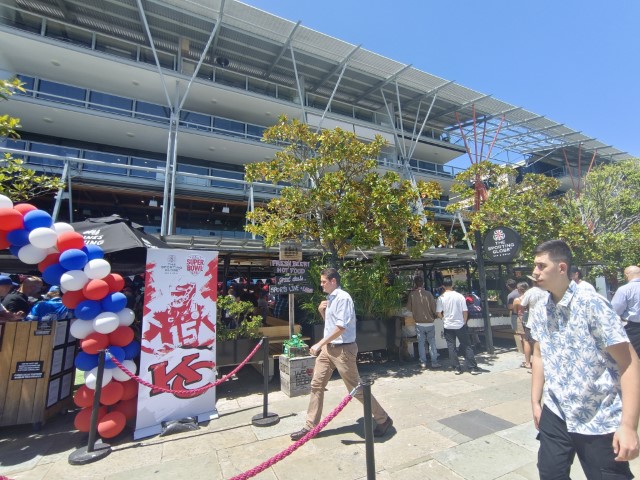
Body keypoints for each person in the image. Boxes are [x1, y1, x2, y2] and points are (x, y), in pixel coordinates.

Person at [529, 239, 639, 479]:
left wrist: (629, 426)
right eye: (534, 266)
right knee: (550, 473)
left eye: (540, 266)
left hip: (598, 415)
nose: (534, 272)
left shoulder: (592, 304)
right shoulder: (539, 309)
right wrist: (536, 402)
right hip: (556, 410)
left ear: (561, 268)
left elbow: (629, 363)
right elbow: (538, 355)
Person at [290, 268, 393, 441]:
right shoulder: (331, 299)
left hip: (343, 350)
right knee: (316, 384)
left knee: (356, 389)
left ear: (333, 281)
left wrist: (319, 343)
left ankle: (383, 419)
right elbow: (332, 325)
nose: (321, 284)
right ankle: (310, 426)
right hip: (328, 349)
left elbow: (341, 328)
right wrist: (322, 312)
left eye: (323, 281)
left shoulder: (343, 298)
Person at [436, 277, 480, 375]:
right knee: (467, 346)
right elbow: (465, 311)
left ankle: (456, 367)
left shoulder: (441, 298)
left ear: (443, 286)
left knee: (451, 347)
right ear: (452, 285)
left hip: (448, 325)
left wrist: (444, 319)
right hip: (460, 325)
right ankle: (472, 367)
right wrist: (464, 321)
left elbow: (438, 313)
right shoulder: (460, 296)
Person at [406, 275, 439, 368]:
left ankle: (423, 362)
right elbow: (434, 308)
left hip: (419, 323)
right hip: (430, 323)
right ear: (423, 283)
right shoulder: (428, 294)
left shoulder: (412, 295)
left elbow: (408, 308)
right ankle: (434, 362)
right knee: (432, 343)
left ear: (415, 284)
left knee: (421, 344)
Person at [611, 265, 640, 358]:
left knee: (634, 358)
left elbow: (614, 311)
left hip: (634, 330)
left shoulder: (624, 290)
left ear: (627, 275)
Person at [511, 281, 531, 369]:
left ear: (519, 290)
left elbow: (515, 312)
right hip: (531, 318)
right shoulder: (531, 299)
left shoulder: (517, 300)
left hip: (521, 318)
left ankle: (527, 362)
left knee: (524, 340)